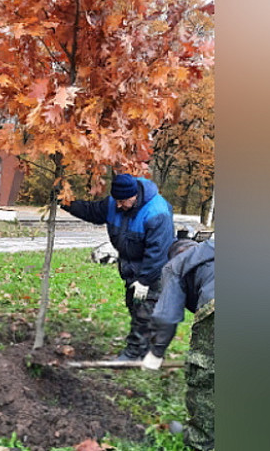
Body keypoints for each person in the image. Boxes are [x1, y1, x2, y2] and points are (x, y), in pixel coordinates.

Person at [61, 173, 174, 361]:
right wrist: (65, 202)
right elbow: (91, 210)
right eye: (117, 201)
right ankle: (149, 348)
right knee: (134, 306)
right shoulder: (114, 203)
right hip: (131, 266)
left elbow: (159, 253)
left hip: (155, 270)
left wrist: (144, 281)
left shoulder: (156, 212)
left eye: (124, 201)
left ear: (135, 196)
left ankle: (134, 354)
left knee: (145, 312)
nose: (119, 205)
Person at [143, 238, 215, 451]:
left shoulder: (176, 264)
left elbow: (166, 317)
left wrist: (156, 353)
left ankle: (201, 441)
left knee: (204, 374)